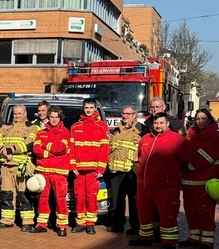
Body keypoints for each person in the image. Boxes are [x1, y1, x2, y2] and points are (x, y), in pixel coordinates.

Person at [130, 113, 185, 249]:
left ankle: (169, 242)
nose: (158, 126)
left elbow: (187, 159)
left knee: (167, 214)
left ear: (167, 123)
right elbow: (139, 157)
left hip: (166, 186)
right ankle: (145, 238)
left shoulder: (177, 139)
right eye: (156, 123)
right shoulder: (145, 138)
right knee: (144, 213)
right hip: (144, 185)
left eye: (161, 123)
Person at [179, 108, 219, 249]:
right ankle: (194, 237)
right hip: (189, 182)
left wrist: (188, 166)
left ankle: (206, 242)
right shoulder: (191, 135)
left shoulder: (215, 137)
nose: (200, 121)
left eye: (203, 119)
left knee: (205, 212)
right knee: (191, 211)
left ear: (210, 119)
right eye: (198, 119)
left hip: (205, 182)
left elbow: (205, 157)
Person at [68, 98, 109, 235]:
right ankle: (80, 222)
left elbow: (104, 149)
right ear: (83, 109)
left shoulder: (102, 126)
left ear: (95, 108)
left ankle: (90, 223)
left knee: (91, 196)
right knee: (79, 196)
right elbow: (71, 148)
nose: (89, 110)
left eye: (91, 107)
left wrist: (100, 169)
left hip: (93, 170)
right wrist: (73, 165)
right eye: (87, 108)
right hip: (79, 170)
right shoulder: (75, 127)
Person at [0, 104, 38, 231]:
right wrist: (3, 151)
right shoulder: (5, 127)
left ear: (25, 114)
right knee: (6, 194)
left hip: (22, 167)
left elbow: (29, 143)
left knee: (24, 195)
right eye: (15, 113)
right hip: (6, 166)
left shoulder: (32, 127)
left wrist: (11, 150)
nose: (17, 116)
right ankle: (7, 220)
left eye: (20, 113)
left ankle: (27, 222)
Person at [31, 106, 72, 236]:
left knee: (60, 199)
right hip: (43, 172)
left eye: (56, 117)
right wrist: (51, 153)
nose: (54, 120)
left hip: (59, 173)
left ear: (60, 118)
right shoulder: (41, 132)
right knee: (42, 199)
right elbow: (36, 150)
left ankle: (62, 226)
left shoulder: (65, 132)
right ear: (48, 118)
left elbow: (61, 148)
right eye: (52, 117)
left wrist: (46, 146)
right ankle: (42, 224)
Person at [104, 105, 143, 234]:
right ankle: (118, 224)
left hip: (131, 172)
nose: (125, 116)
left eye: (128, 114)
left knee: (133, 201)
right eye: (123, 113)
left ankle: (135, 226)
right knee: (117, 200)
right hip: (116, 171)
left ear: (134, 115)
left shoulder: (140, 129)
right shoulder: (117, 129)